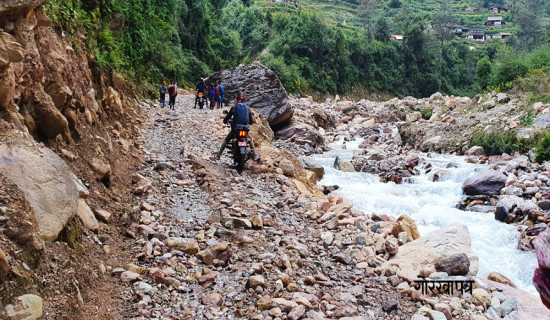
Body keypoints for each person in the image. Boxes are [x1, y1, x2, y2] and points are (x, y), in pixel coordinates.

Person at [215, 92, 259, 161]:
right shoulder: (247, 108)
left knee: (226, 140)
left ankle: (218, 155)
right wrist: (250, 123)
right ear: (244, 100)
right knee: (250, 140)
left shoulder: (234, 107)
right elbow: (251, 120)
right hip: (245, 129)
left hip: (236, 130)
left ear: (237, 100)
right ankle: (255, 155)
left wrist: (225, 121)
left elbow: (228, 116)